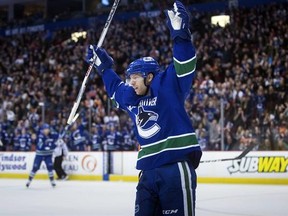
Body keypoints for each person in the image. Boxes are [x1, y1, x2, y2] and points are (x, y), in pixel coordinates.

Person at [86, 1, 202, 215]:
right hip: (147, 173)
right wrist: (104, 67)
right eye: (129, 78)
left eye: (135, 78)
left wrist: (181, 34)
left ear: (149, 77)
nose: (130, 82)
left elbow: (185, 62)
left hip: (174, 169)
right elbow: (115, 88)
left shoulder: (167, 86)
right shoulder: (132, 98)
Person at [26, 123, 58, 188]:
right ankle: (29, 181)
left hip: (48, 155)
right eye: (45, 129)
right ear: (43, 130)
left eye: (48, 129)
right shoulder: (40, 136)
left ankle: (52, 181)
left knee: (50, 167)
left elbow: (57, 136)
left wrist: (57, 141)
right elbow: (41, 146)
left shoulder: (51, 135)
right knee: (35, 167)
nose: (47, 130)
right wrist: (51, 146)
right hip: (39, 155)